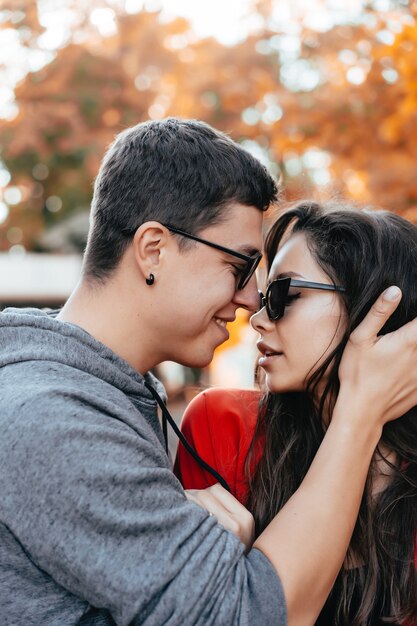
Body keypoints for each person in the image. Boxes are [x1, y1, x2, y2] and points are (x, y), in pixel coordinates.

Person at [0, 119, 416, 626]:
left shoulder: (100, 399)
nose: (248, 303)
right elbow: (246, 614)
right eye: (240, 268)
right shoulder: (55, 421)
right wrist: (361, 409)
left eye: (271, 289)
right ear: (154, 249)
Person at [176, 200, 417, 625]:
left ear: (376, 309)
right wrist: (246, 578)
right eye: (266, 296)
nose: (258, 319)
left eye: (285, 294)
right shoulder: (222, 424)